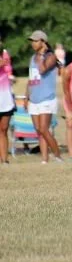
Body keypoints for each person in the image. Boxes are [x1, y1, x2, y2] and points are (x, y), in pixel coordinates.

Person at [24, 30, 63, 164]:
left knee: (44, 129)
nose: (33, 44)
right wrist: (26, 97)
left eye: (36, 41)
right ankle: (44, 159)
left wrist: (42, 54)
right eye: (32, 41)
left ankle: (58, 156)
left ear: (43, 42)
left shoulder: (50, 56)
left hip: (46, 98)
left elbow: (42, 69)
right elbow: (31, 79)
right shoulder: (32, 58)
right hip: (34, 98)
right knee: (38, 131)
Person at [0, 35, 15, 165]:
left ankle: (5, 159)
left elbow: (8, 70)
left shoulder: (5, 54)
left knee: (3, 129)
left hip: (5, 97)